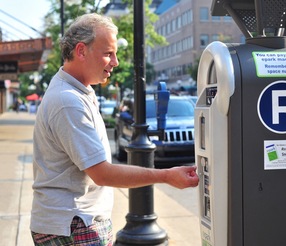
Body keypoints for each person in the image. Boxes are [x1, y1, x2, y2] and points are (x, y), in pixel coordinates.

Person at [30, 13, 199, 246]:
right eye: (108, 53)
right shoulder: (68, 100)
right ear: (81, 51)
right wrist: (166, 175)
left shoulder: (75, 91)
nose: (115, 62)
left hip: (75, 222)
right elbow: (102, 174)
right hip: (74, 225)